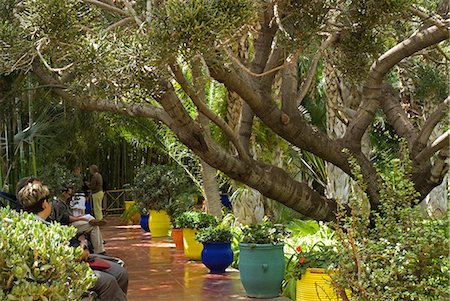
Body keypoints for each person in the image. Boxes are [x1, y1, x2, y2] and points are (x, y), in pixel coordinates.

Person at [16, 179, 128, 301]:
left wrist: (81, 245)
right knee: (108, 282)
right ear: (44, 204)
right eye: (48, 201)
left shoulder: (44, 223)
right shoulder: (40, 229)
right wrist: (80, 252)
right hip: (65, 273)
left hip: (76, 263)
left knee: (121, 273)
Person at [51, 186, 107, 254]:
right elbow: (66, 218)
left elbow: (69, 216)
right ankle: (99, 250)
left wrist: (79, 217)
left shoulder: (62, 202)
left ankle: (92, 221)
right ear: (64, 193)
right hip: (67, 227)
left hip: (70, 223)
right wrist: (80, 218)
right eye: (68, 194)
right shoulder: (58, 203)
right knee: (93, 226)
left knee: (90, 221)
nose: (69, 197)